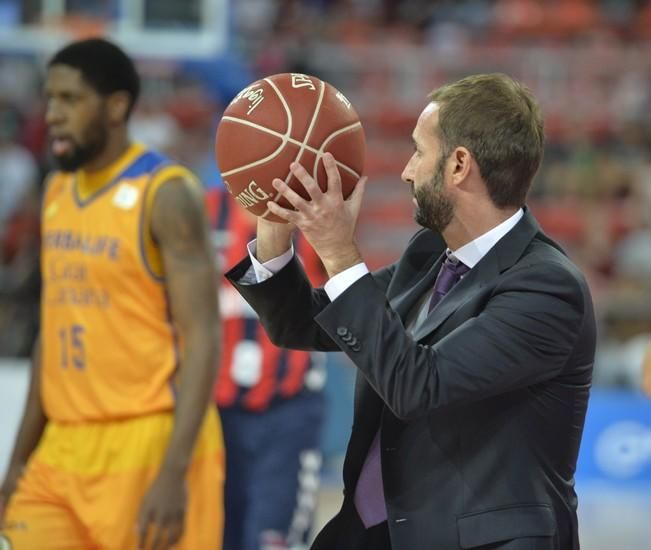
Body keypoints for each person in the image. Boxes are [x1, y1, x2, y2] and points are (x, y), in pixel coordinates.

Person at [225, 73, 597, 550]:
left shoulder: (546, 287)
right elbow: (303, 323)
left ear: (459, 164)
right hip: (374, 534)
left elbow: (419, 386)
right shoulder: (429, 257)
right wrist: (277, 225)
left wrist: (340, 252)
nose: (406, 170)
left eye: (419, 152)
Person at [0, 38, 224, 550]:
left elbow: (203, 338)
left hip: (146, 442)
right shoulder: (56, 192)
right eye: (49, 99)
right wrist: (16, 461)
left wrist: (174, 472)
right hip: (61, 450)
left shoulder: (166, 193)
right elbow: (49, 339)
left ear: (117, 105)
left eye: (71, 100)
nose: (53, 114)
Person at [205, 187, 326, 550]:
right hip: (216, 414)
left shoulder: (311, 216)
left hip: (287, 410)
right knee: (216, 534)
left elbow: (341, 298)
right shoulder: (202, 211)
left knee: (273, 540)